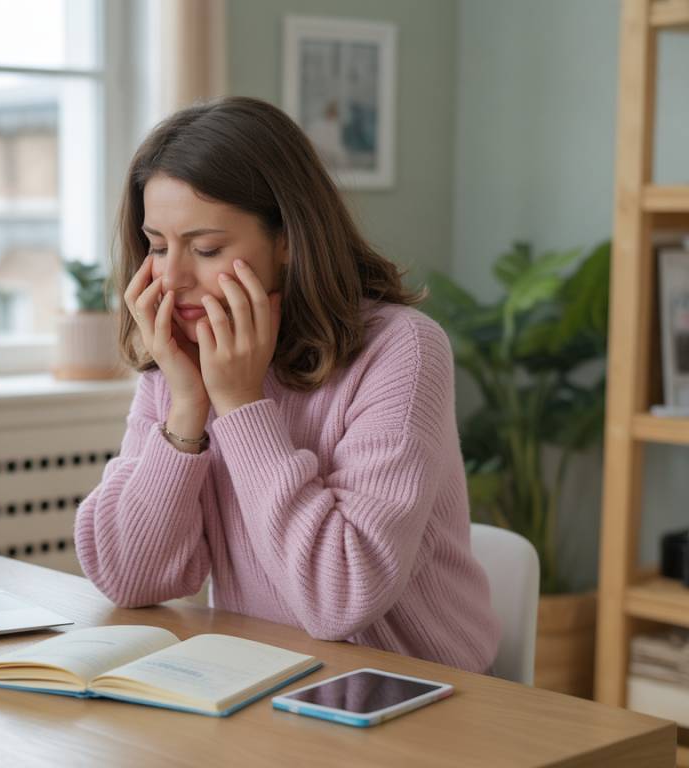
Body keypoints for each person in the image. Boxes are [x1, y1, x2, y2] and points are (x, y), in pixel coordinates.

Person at [74, 96, 500, 674]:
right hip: (265, 682)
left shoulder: (402, 350)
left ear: (288, 240)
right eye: (156, 245)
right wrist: (189, 406)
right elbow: (129, 578)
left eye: (206, 249)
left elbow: (338, 600)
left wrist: (242, 403)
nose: (172, 278)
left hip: (413, 695)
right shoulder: (184, 355)